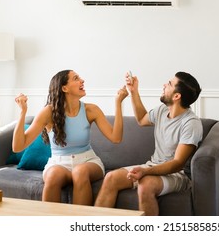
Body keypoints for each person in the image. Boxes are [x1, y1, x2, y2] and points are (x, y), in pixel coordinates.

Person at [12, 70, 128, 205]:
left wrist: (118, 103)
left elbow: (116, 138)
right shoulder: (48, 112)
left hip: (88, 161)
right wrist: (22, 112)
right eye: (76, 78)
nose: (82, 80)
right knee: (52, 176)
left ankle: (78, 224)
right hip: (59, 163)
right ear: (64, 88)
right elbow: (18, 146)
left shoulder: (91, 110)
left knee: (80, 172)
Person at [94, 71, 203, 215]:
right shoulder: (163, 110)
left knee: (145, 185)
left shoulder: (191, 123)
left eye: (169, 84)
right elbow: (141, 119)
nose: (164, 85)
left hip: (177, 175)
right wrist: (133, 92)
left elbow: (177, 163)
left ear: (177, 96)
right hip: (153, 166)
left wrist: (145, 172)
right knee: (111, 178)